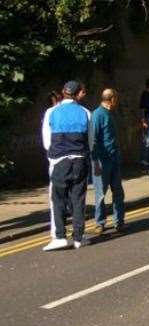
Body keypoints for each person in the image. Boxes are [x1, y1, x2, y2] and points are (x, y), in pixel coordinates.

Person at [41, 81, 96, 251]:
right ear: (78, 93)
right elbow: (91, 142)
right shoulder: (86, 112)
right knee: (78, 198)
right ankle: (79, 237)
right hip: (80, 160)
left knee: (58, 199)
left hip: (59, 161)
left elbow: (46, 142)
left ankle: (59, 237)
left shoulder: (51, 112)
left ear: (63, 92)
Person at [91, 89, 125, 235]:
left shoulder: (109, 113)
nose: (117, 101)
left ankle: (119, 222)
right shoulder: (98, 114)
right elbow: (92, 139)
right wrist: (95, 161)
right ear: (112, 99)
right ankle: (100, 223)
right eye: (116, 98)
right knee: (100, 194)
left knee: (118, 192)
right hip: (102, 161)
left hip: (114, 159)